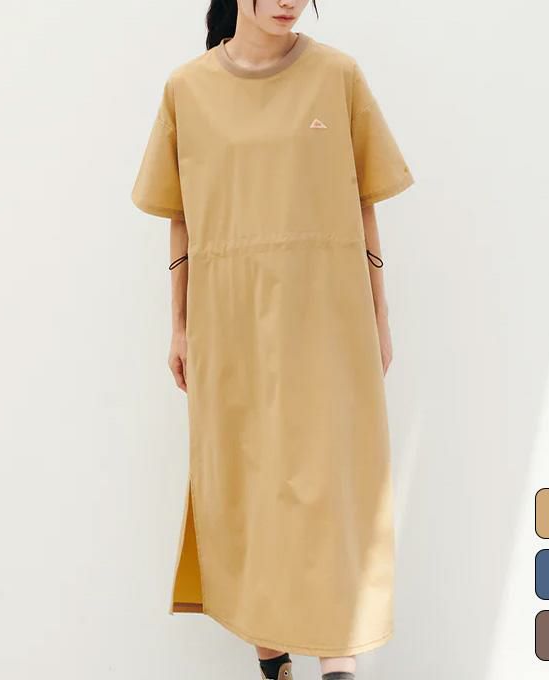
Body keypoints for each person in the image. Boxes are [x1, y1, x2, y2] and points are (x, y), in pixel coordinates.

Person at [130, 1, 414, 678]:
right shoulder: (187, 89)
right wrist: (179, 326)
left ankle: (338, 661)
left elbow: (364, 203)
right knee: (248, 486)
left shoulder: (337, 76)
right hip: (230, 323)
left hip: (327, 319)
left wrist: (379, 315)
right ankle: (274, 659)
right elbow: (179, 215)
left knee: (330, 486)